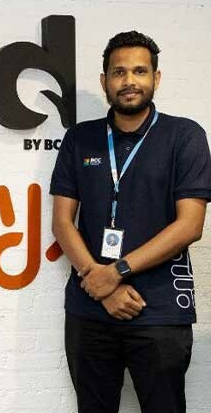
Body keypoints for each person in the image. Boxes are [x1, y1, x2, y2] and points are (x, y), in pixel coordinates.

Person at [50, 31, 211, 413]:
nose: (129, 81)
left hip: (160, 310)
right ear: (104, 80)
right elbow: (62, 222)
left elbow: (190, 225)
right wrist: (99, 282)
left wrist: (117, 271)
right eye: (119, 72)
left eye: (140, 71)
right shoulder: (80, 139)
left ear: (156, 78)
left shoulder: (184, 136)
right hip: (90, 310)